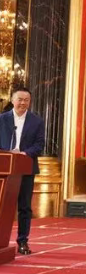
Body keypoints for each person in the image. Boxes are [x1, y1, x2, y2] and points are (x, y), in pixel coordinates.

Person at [0, 87, 45, 255]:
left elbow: (39, 145)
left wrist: (25, 154)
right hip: (4, 168)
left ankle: (23, 241)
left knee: (25, 207)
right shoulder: (2, 119)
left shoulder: (37, 121)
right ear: (12, 100)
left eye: (26, 100)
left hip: (25, 168)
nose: (23, 103)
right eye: (20, 99)